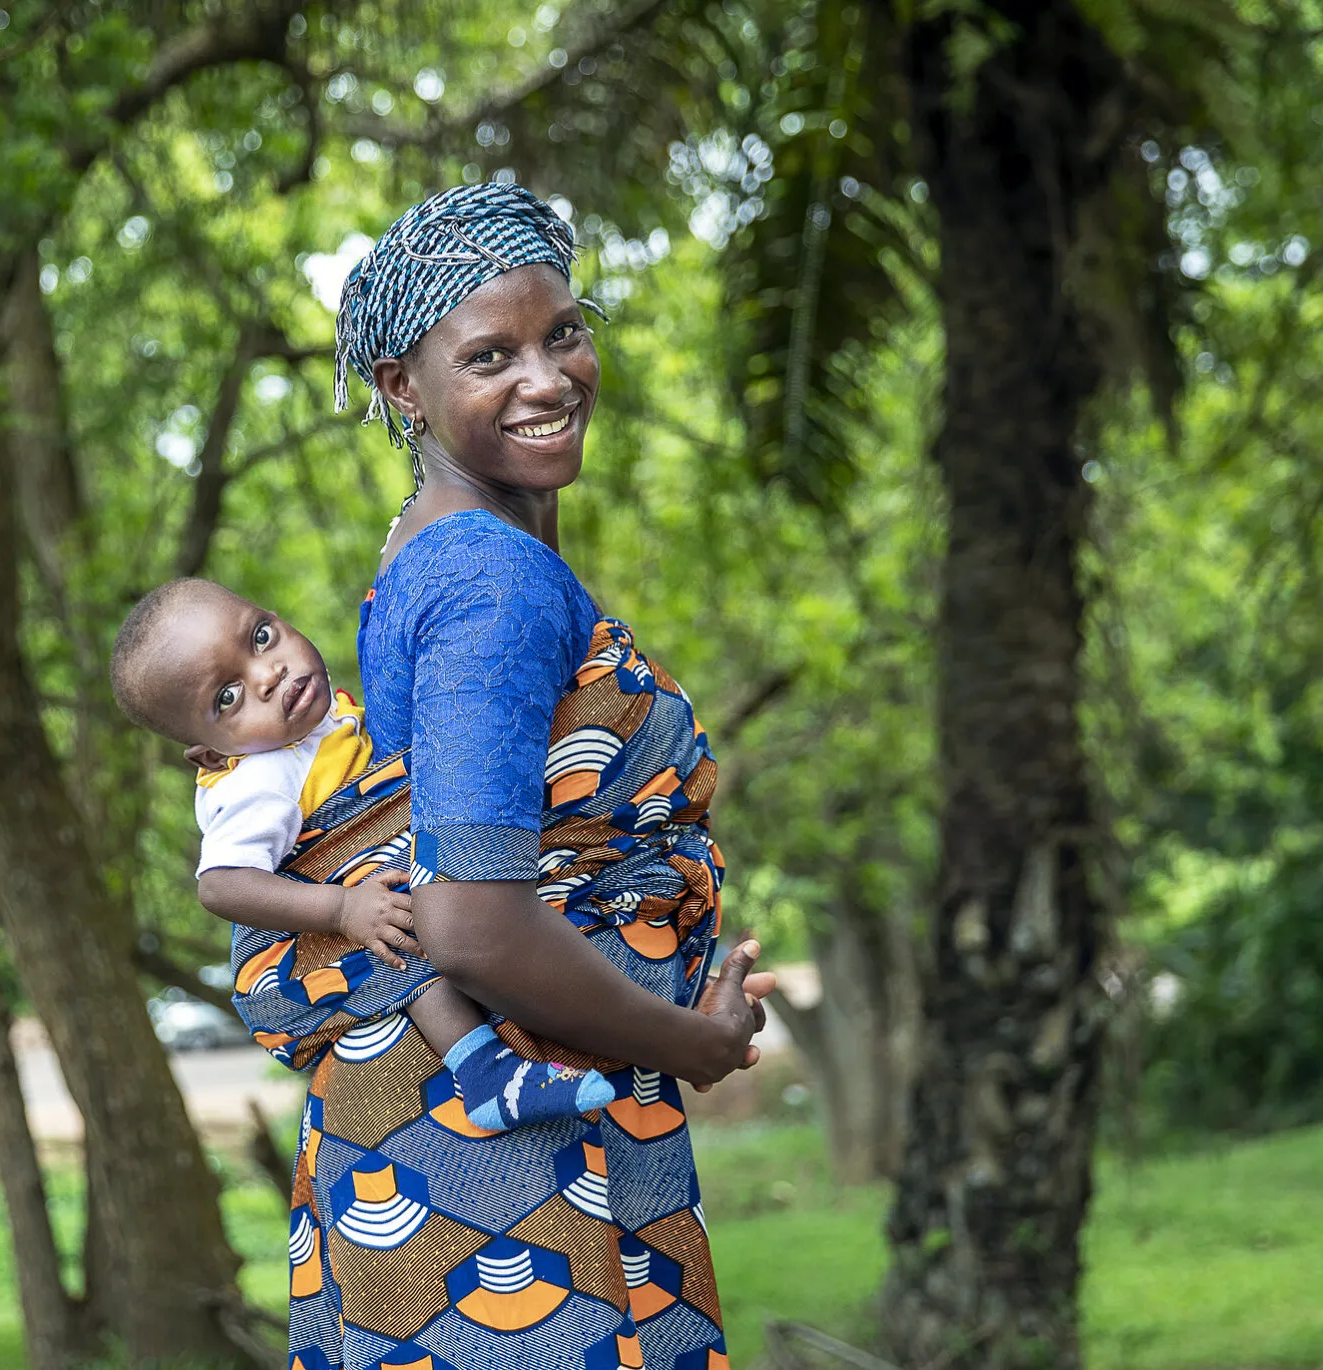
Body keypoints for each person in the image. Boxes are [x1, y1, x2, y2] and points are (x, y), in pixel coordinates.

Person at [250, 182, 776, 1370]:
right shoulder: (491, 579)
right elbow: (472, 918)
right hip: (515, 1147)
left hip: (452, 1120)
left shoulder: (428, 548)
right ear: (401, 386)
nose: (547, 378)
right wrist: (684, 1040)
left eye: (565, 334)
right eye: (489, 354)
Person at [108, 576, 617, 1131]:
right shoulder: (258, 782)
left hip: (351, 907)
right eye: (226, 697)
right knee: (407, 945)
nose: (267, 673)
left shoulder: (312, 725)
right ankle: (485, 1074)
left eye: (260, 637)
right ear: (210, 754)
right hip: (298, 955)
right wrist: (342, 910)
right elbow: (221, 884)